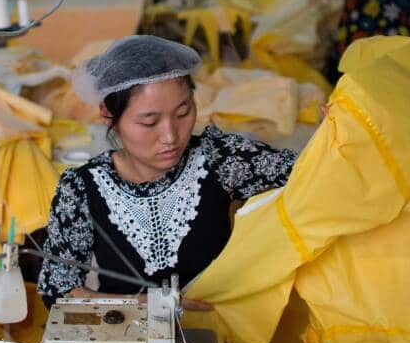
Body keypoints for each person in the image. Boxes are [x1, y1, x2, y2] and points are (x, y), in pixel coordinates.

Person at [37, 36, 299, 309]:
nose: (170, 136)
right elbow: (58, 291)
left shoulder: (220, 160)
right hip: (126, 335)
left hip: (216, 332)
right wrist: (145, 304)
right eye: (149, 122)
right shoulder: (82, 189)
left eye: (183, 113)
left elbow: (310, 174)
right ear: (107, 115)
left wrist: (337, 133)